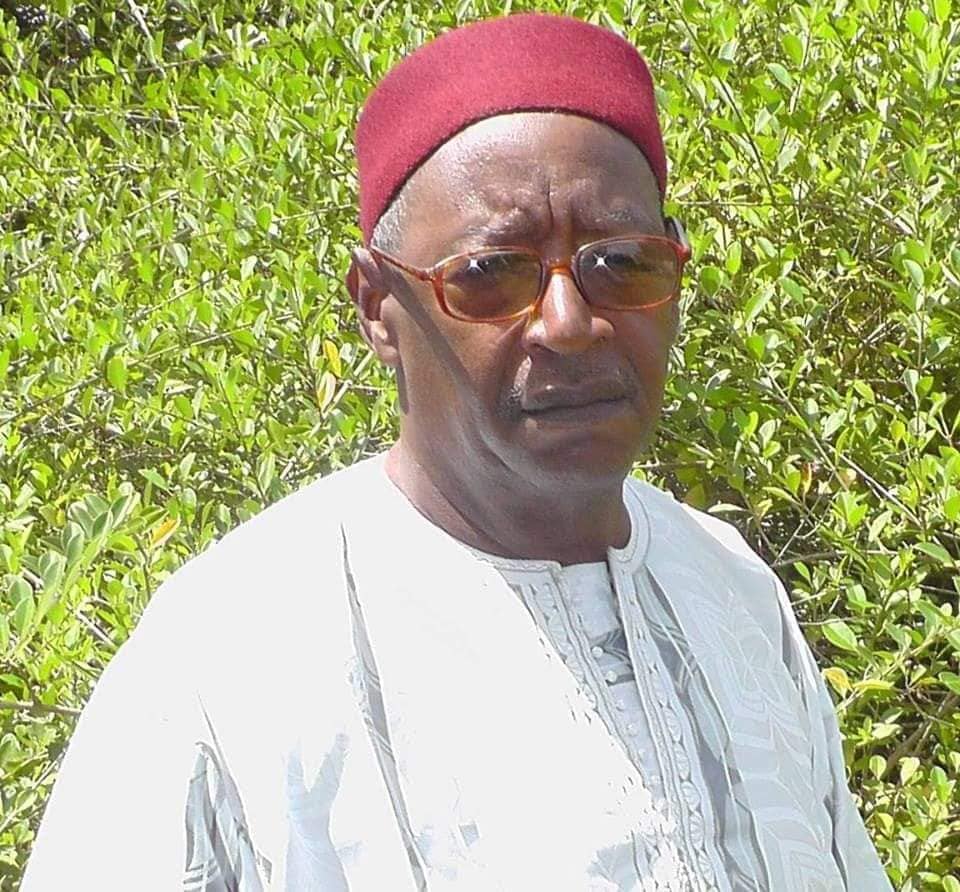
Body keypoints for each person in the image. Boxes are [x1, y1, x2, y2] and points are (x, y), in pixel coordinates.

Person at [22, 12, 891, 891]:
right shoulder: (227, 660)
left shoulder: (733, 591)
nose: (571, 323)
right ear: (377, 308)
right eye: (490, 273)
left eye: (623, 262)